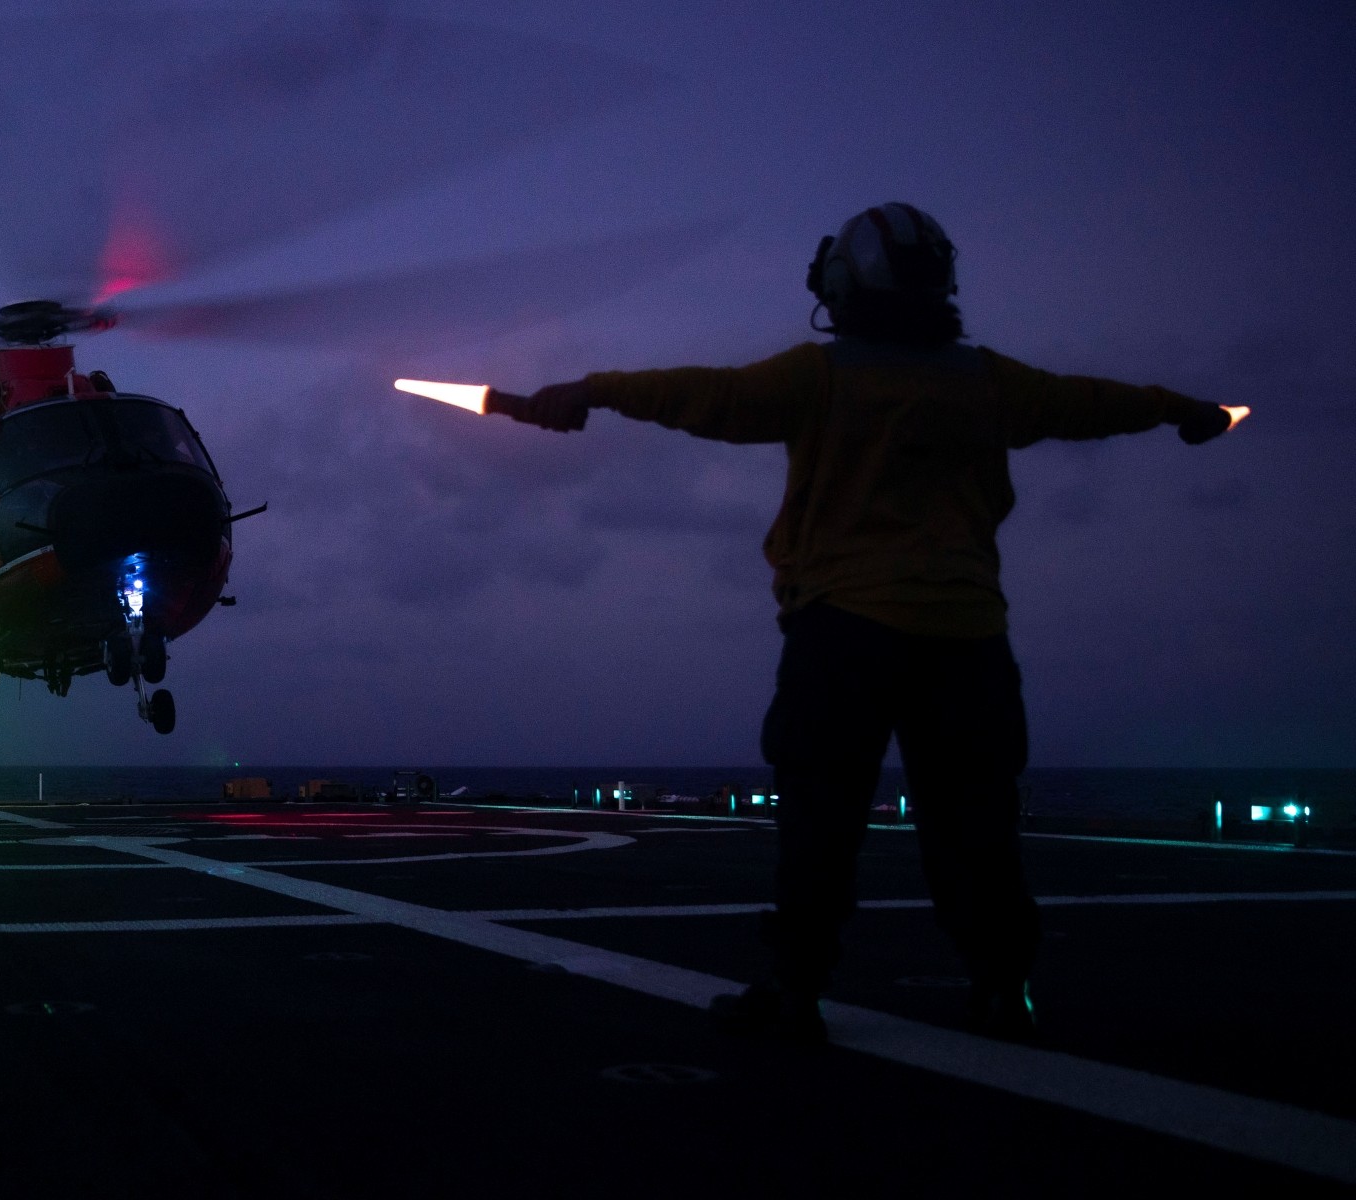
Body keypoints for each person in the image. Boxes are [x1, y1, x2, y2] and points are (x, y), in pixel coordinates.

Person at [507, 202, 1241, 1044]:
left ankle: (794, 990)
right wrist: (1186, 408)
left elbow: (701, 395)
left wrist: (591, 390)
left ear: (843, 285)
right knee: (977, 828)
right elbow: (1096, 403)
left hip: (844, 633)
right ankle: (1003, 988)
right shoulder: (991, 385)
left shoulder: (819, 379)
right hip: (968, 637)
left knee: (821, 821)